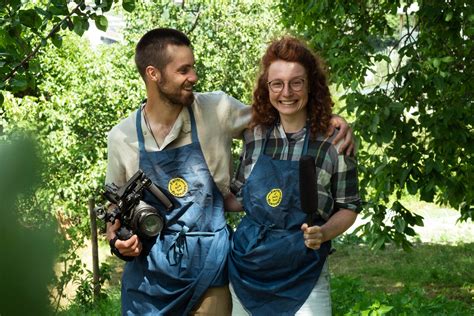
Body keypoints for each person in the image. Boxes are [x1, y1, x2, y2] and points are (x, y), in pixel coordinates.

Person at [105, 28, 355, 315]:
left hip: (210, 269)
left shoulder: (217, 109)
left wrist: (332, 121)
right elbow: (115, 205)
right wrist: (118, 240)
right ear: (154, 74)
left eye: (193, 67)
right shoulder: (122, 138)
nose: (194, 77)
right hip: (151, 276)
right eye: (184, 70)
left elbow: (282, 109)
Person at [227, 37, 361, 316]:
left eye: (296, 82)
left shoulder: (335, 141)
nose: (286, 92)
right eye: (277, 83)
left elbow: (348, 207)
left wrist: (322, 233)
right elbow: (242, 198)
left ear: (311, 85)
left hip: (305, 273)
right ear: (267, 88)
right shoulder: (254, 134)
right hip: (248, 270)